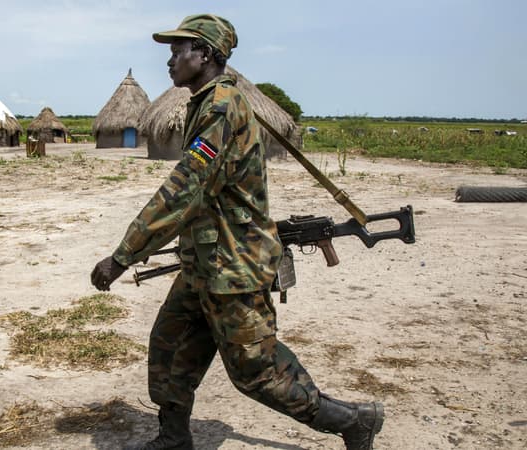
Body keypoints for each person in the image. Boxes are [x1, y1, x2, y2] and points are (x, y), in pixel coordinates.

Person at [90, 13, 385, 450]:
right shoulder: (204, 103)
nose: (170, 61)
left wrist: (123, 256)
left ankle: (351, 420)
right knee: (169, 347)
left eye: (178, 50)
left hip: (233, 271)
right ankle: (173, 439)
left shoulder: (222, 108)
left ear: (204, 53)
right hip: (204, 265)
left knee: (258, 373)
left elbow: (183, 189)